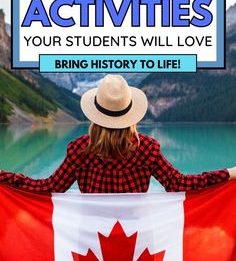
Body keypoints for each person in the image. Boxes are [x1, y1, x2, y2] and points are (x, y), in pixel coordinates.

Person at [0, 74, 236, 193]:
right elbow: (179, 184)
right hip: (138, 242)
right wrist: (227, 174)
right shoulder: (148, 149)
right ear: (130, 115)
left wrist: (4, 177)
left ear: (96, 113)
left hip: (91, 243)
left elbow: (48, 187)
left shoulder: (79, 150)